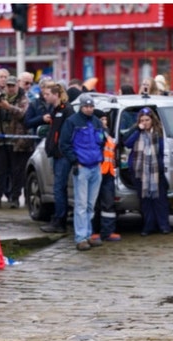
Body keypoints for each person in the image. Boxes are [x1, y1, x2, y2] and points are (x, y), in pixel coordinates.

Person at [59, 93, 105, 251]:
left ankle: (87, 234)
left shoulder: (96, 122)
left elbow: (102, 141)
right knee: (81, 205)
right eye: (86, 106)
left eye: (91, 106)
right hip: (82, 167)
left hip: (95, 167)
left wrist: (101, 158)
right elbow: (64, 144)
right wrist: (75, 161)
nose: (89, 109)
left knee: (90, 205)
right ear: (81, 107)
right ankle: (80, 237)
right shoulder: (72, 122)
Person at [124, 108, 171, 235]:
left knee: (159, 199)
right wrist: (138, 130)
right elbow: (127, 144)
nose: (145, 122)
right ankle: (148, 226)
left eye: (147, 120)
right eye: (142, 120)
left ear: (152, 120)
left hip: (155, 170)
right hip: (139, 170)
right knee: (145, 200)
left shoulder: (159, 133)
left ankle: (163, 225)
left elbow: (161, 151)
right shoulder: (136, 132)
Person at [0, 75, 31, 208]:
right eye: (8, 86)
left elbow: (23, 114)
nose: (10, 88)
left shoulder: (23, 99)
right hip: (1, 140)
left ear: (17, 86)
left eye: (13, 86)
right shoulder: (0, 96)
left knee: (17, 173)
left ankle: (15, 198)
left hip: (18, 141)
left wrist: (8, 107)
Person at [38, 83, 73, 233]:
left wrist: (60, 149)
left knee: (59, 187)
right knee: (57, 188)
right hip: (56, 154)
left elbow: (67, 134)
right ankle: (58, 217)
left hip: (62, 155)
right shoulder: (55, 110)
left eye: (47, 94)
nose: (44, 97)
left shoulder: (66, 110)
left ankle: (60, 220)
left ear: (56, 94)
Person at [91, 109, 121, 243]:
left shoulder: (108, 133)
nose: (105, 121)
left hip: (108, 172)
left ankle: (108, 231)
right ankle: (93, 231)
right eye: (101, 119)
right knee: (94, 204)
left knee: (108, 204)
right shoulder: (94, 132)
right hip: (97, 171)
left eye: (105, 119)